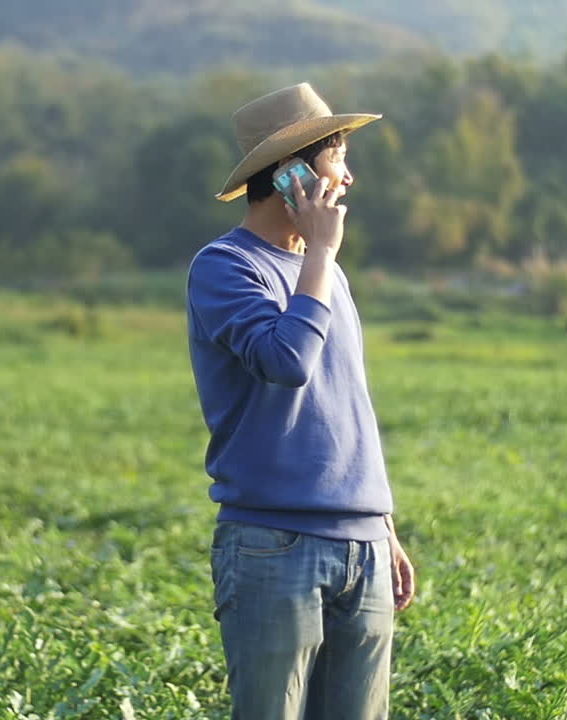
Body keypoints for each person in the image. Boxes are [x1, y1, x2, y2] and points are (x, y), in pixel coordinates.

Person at [186, 82, 415, 719]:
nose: (350, 178)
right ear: (291, 178)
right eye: (338, 159)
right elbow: (286, 362)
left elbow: (349, 403)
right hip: (272, 544)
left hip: (362, 546)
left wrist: (382, 525)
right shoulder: (226, 267)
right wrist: (319, 251)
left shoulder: (327, 272)